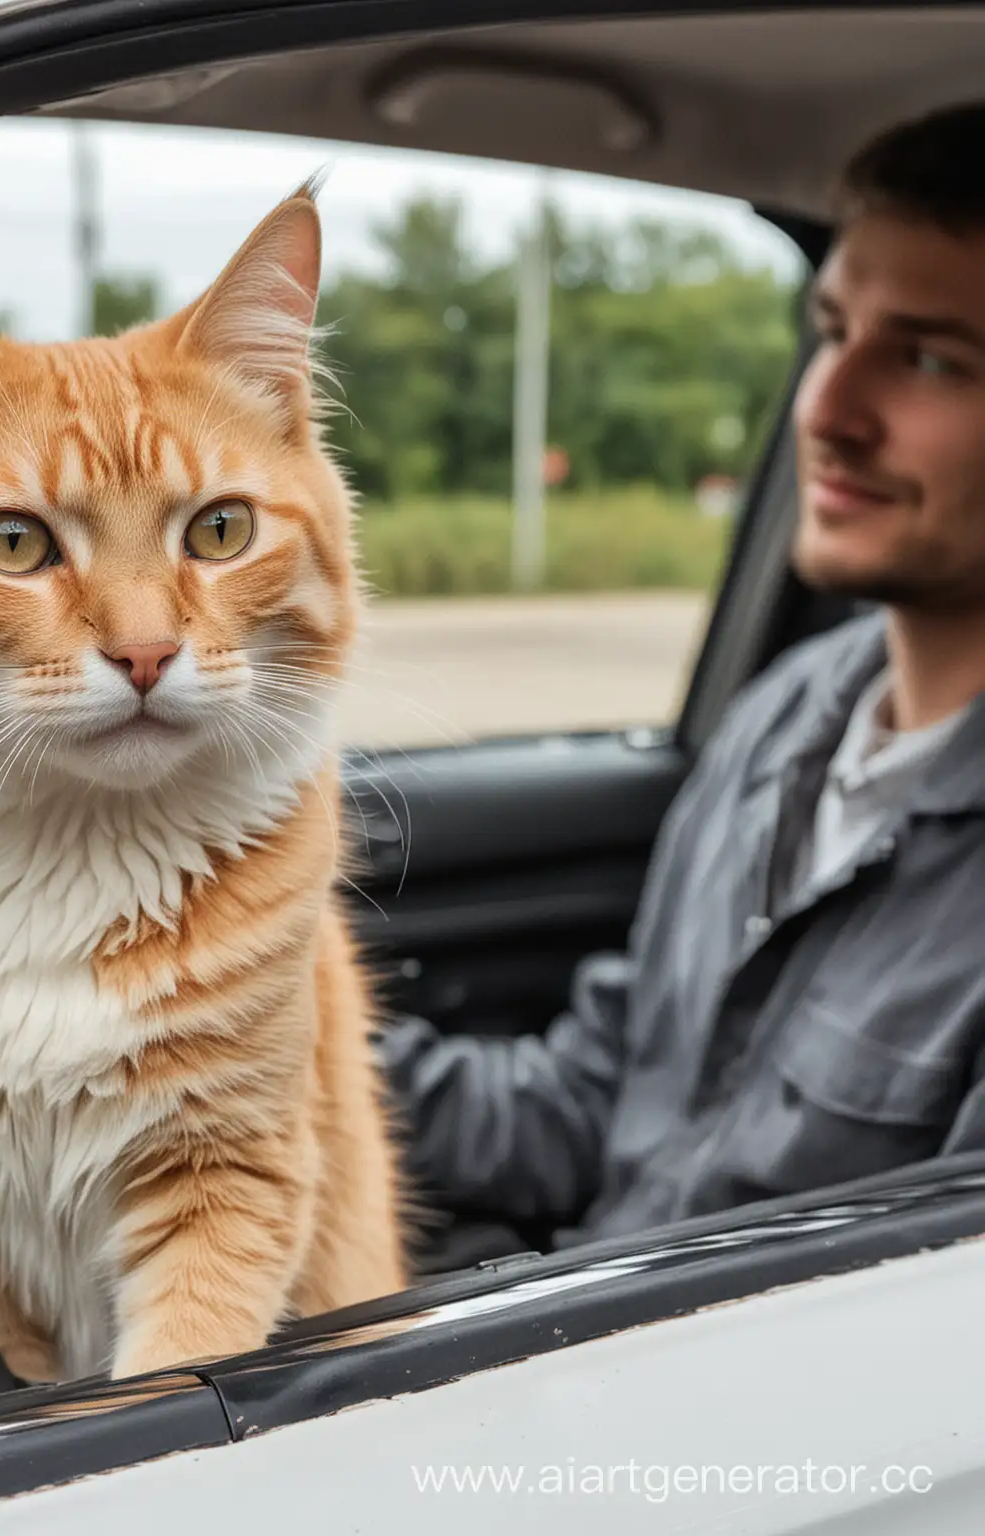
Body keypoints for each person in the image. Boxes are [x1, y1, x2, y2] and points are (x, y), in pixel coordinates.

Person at [381, 101, 985, 1264]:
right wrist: (248, 1049)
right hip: (579, 1309)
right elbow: (591, 1104)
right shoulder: (783, 721)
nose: (825, 408)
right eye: (831, 329)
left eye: (926, 358)